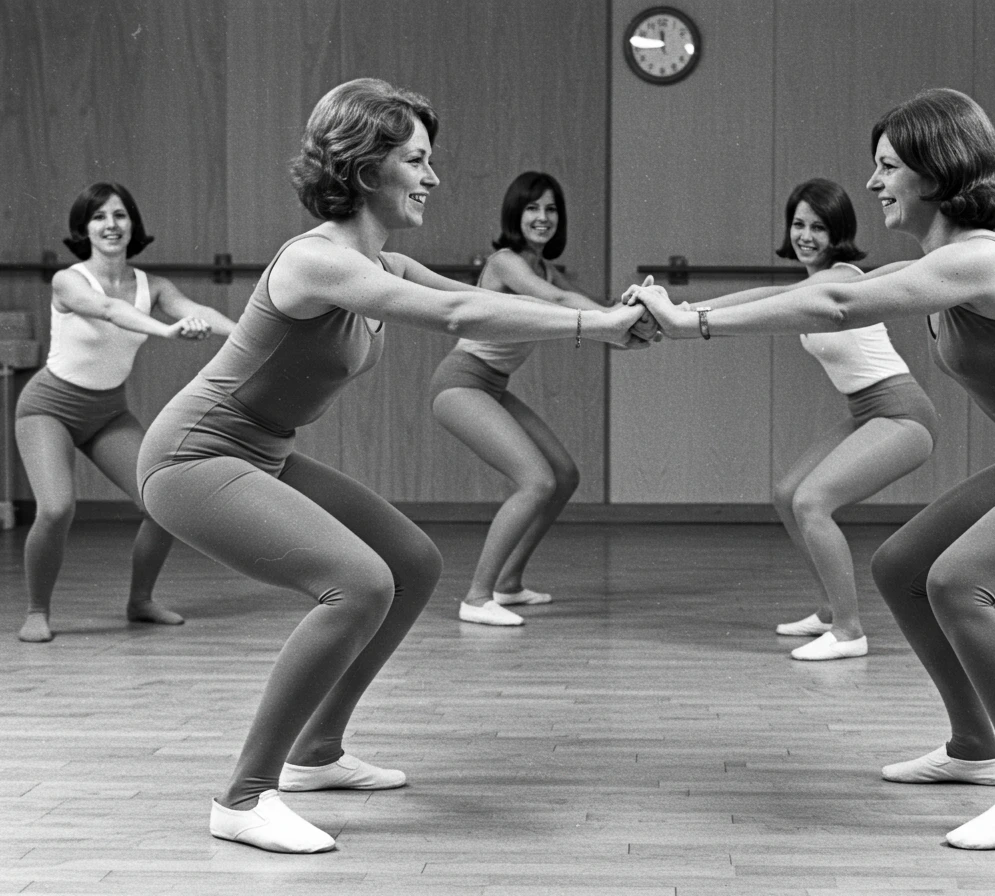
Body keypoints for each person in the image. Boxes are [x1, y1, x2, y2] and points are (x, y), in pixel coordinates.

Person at [627, 88, 995, 849]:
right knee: (903, 564)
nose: (875, 184)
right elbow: (825, 291)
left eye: (887, 167)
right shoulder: (937, 262)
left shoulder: (977, 259)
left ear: (934, 171)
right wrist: (686, 314)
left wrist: (698, 324)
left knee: (957, 582)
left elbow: (840, 305)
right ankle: (974, 747)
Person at [136, 79, 648, 854]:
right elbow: (456, 316)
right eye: (418, 160)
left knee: (411, 561)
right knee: (359, 583)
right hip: (193, 456)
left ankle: (316, 753)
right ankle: (242, 797)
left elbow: (475, 302)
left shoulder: (387, 261)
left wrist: (607, 324)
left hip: (261, 452)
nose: (434, 177)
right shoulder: (318, 261)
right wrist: (595, 324)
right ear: (367, 168)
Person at [691, 178, 938, 659]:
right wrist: (683, 310)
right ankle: (829, 608)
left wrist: (689, 313)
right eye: (799, 224)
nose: (805, 235)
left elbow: (762, 298)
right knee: (788, 494)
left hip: (904, 416)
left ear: (837, 233)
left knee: (812, 502)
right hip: (867, 412)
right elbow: (770, 296)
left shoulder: (840, 277)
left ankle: (849, 631)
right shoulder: (812, 284)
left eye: (818, 227)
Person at [15, 182, 236, 643]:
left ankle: (140, 601)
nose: (111, 225)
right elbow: (108, 310)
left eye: (119, 215)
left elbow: (197, 308)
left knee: (162, 502)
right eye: (99, 217)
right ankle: (37, 610)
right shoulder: (69, 280)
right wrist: (168, 332)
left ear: (133, 224)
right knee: (56, 509)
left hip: (107, 412)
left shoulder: (152, 286)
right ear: (84, 229)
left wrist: (243, 336)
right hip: (47, 408)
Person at [430, 172, 613, 627]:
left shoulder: (545, 269)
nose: (543, 218)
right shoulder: (506, 262)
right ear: (516, 213)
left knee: (564, 475)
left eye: (551, 209)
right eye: (533, 208)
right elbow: (557, 299)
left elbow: (568, 301)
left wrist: (625, 317)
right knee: (536, 481)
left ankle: (508, 584)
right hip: (461, 383)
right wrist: (615, 318)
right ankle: (476, 597)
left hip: (492, 384)